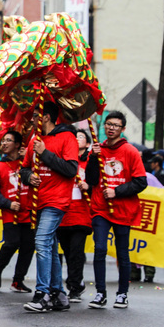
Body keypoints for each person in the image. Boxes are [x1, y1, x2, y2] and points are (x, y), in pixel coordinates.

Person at [20, 101, 78, 313]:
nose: (32, 119)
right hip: (38, 201)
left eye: (36, 115)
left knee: (42, 242)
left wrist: (45, 153)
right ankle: (58, 293)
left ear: (46, 117)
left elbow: (71, 169)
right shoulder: (34, 139)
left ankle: (42, 293)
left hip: (56, 200)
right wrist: (29, 177)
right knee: (50, 247)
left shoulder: (67, 137)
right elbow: (23, 169)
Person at [86, 110, 147, 308]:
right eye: (108, 124)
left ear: (123, 129)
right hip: (100, 209)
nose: (111, 128)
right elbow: (91, 180)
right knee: (100, 249)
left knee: (122, 253)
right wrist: (94, 158)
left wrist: (117, 191)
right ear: (104, 126)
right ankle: (100, 292)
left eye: (115, 125)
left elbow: (140, 182)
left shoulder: (129, 151)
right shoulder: (97, 149)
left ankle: (122, 293)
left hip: (123, 209)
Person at [0, 130, 35, 293]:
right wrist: (8, 204)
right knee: (12, 243)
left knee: (28, 247)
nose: (4, 144)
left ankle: (18, 280)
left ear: (17, 144)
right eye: (3, 141)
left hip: (29, 213)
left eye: (8, 140)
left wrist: (28, 155)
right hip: (10, 214)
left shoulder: (28, 163)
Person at [57, 130, 93, 303]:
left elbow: (99, 182)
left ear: (87, 143)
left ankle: (75, 287)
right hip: (63, 212)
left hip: (81, 213)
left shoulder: (92, 160)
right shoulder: (64, 159)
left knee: (76, 251)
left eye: (81, 137)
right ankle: (74, 281)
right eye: (74, 136)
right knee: (67, 250)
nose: (76, 139)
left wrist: (89, 186)